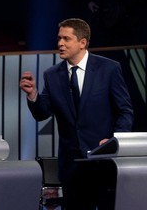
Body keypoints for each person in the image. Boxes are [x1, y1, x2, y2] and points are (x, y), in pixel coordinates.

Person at [20, 18, 133, 209]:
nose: (60, 44)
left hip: (103, 163)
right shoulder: (52, 75)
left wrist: (114, 141)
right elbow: (43, 113)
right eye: (59, 38)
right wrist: (33, 95)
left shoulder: (109, 69)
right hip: (71, 167)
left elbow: (125, 111)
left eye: (66, 39)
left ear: (82, 42)